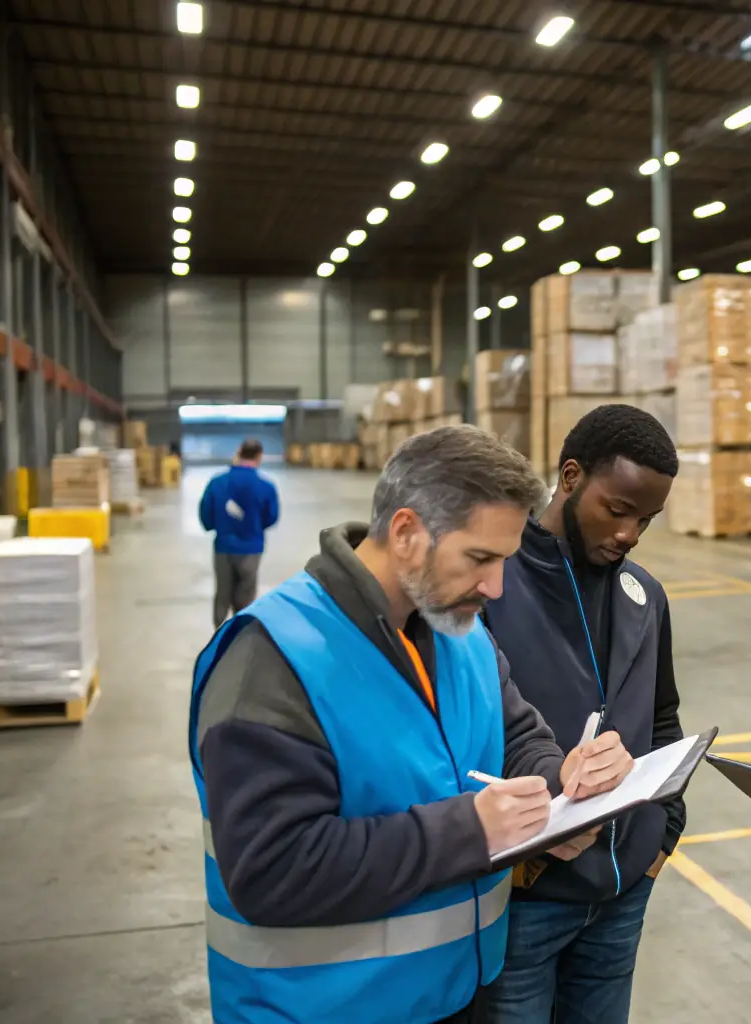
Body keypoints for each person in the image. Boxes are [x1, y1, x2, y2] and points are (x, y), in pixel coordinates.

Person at [188, 426, 636, 1024]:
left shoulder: (461, 632)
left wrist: (563, 784)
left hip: (457, 995)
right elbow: (272, 870)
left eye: (503, 561)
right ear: (405, 533)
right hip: (322, 1010)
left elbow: (516, 738)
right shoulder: (274, 660)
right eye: (479, 558)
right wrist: (471, 832)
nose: (495, 587)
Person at [479, 404, 685, 1024]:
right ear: (570, 477)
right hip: (525, 901)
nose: (628, 534)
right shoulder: (490, 587)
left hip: (623, 897)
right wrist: (520, 864)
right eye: (617, 510)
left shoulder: (643, 595)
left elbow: (664, 720)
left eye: (645, 520)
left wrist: (661, 838)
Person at [198, 438, 280, 629]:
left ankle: (218, 632)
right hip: (251, 547)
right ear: (259, 456)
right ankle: (240, 635)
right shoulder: (266, 486)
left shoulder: (217, 482)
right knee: (246, 594)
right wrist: (255, 527)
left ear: (238, 453)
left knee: (222, 592)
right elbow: (272, 517)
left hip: (223, 546)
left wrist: (214, 526)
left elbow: (205, 514)